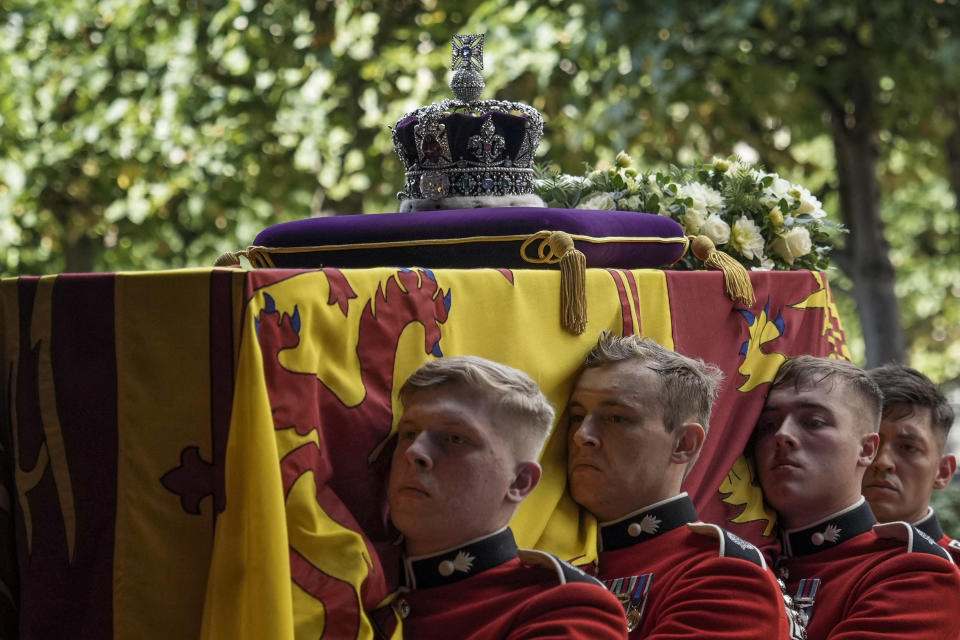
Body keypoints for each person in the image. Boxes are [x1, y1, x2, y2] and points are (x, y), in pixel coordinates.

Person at [380, 355, 628, 639]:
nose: (415, 452)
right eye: (409, 433)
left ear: (520, 481)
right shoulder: (357, 576)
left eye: (455, 438)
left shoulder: (565, 607)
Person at [566, 332, 791, 639]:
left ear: (685, 444)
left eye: (617, 418)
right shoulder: (565, 556)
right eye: (576, 416)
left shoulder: (724, 576)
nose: (581, 435)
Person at [753, 355, 960, 640]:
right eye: (768, 425)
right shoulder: (760, 552)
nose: (882, 462)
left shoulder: (921, 572)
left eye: (908, 447)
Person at [862, 364, 960, 562]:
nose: (882, 462)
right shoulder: (792, 558)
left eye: (908, 448)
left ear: (943, 472)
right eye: (869, 444)